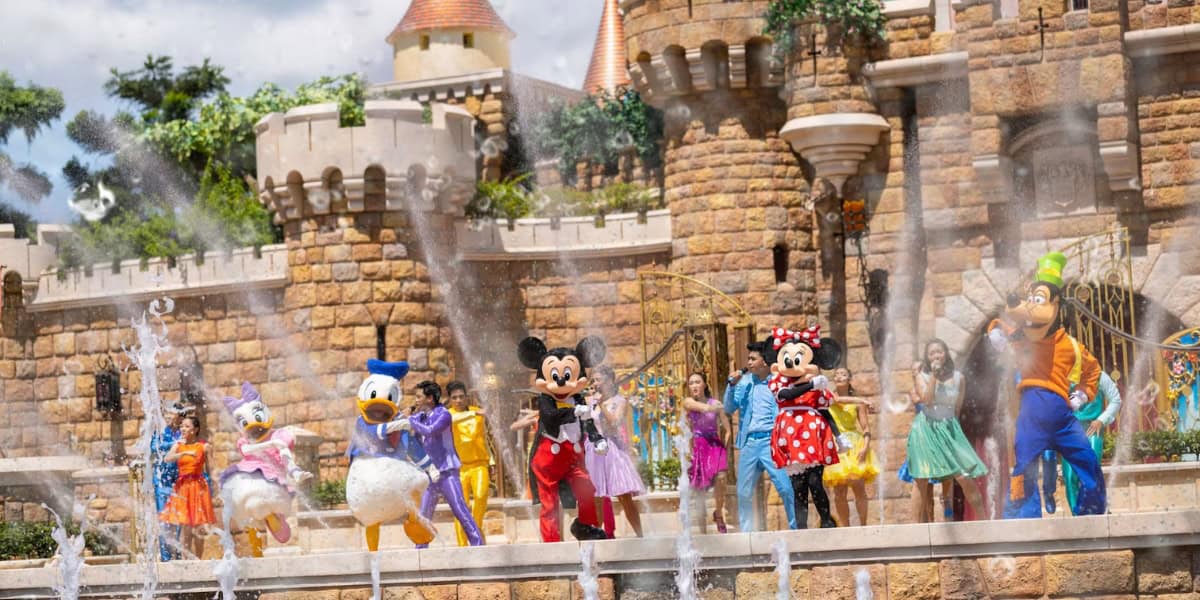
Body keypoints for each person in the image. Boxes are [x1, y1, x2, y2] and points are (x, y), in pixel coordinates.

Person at [907, 339, 987, 522]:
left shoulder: (959, 378)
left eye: (939, 351)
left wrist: (954, 435)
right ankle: (913, 528)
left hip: (949, 427)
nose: (936, 355)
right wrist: (934, 376)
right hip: (926, 428)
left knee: (964, 475)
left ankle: (984, 522)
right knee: (921, 478)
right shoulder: (922, 376)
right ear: (927, 359)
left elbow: (957, 408)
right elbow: (926, 400)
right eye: (931, 353)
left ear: (946, 354)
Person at [724, 342, 798, 532]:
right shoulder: (744, 383)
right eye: (748, 359)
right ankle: (747, 534)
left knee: (785, 488)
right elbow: (728, 408)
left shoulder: (777, 383)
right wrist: (731, 386)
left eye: (753, 359)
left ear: (764, 362)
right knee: (743, 492)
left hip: (770, 441)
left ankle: (794, 529)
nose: (748, 362)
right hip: (750, 442)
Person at [409, 381, 484, 547]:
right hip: (429, 474)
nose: (416, 400)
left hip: (447, 472)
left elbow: (431, 431)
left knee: (460, 510)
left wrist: (410, 421)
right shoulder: (420, 417)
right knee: (423, 516)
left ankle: (478, 545)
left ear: (429, 398)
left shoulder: (443, 414)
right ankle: (420, 551)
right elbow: (414, 436)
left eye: (418, 397)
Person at [584, 366, 645, 538]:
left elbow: (615, 423)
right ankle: (597, 539)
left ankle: (640, 536)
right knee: (597, 497)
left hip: (613, 450)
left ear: (609, 380)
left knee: (624, 496)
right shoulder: (590, 402)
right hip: (595, 449)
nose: (595, 384)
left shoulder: (620, 401)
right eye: (593, 380)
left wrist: (601, 405)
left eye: (598, 380)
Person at [824, 368, 880, 527]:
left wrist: (865, 447)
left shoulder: (858, 403)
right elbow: (837, 399)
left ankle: (863, 525)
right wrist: (861, 400)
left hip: (854, 444)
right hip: (836, 444)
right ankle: (845, 527)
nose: (839, 376)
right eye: (836, 374)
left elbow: (866, 428)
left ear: (849, 378)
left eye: (843, 374)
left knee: (858, 488)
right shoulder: (829, 396)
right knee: (839, 491)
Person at [160, 416, 215, 558]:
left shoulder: (204, 447)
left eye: (186, 426)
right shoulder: (178, 445)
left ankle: (199, 559)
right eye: (182, 426)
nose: (182, 429)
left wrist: (215, 491)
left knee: (199, 527)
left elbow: (211, 470)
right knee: (185, 527)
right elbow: (167, 458)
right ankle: (187, 560)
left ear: (195, 429)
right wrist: (183, 453)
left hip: (198, 487)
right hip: (183, 488)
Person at [682, 372, 731, 533]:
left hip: (714, 444)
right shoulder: (688, 402)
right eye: (691, 383)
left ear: (704, 384)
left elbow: (727, 429)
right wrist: (713, 408)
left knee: (722, 478)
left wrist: (725, 447)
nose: (694, 385)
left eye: (697, 382)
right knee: (699, 490)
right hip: (697, 447)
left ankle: (718, 513)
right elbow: (699, 407)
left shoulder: (715, 403)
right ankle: (703, 530)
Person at [446, 380, 491, 546]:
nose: (458, 400)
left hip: (479, 464)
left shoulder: (477, 413)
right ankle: (462, 546)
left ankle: (476, 534)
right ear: (450, 400)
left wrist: (491, 460)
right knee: (461, 508)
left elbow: (483, 438)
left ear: (466, 397)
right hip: (458, 468)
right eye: (454, 397)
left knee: (480, 496)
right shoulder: (447, 415)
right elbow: (453, 420)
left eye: (461, 397)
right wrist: (475, 414)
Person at [152, 403, 185, 561]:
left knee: (177, 519)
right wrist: (173, 444)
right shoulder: (160, 433)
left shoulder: (183, 433)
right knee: (164, 520)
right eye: (168, 414)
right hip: (161, 481)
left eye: (173, 414)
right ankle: (165, 557)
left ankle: (176, 553)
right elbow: (154, 447)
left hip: (178, 480)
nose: (169, 417)